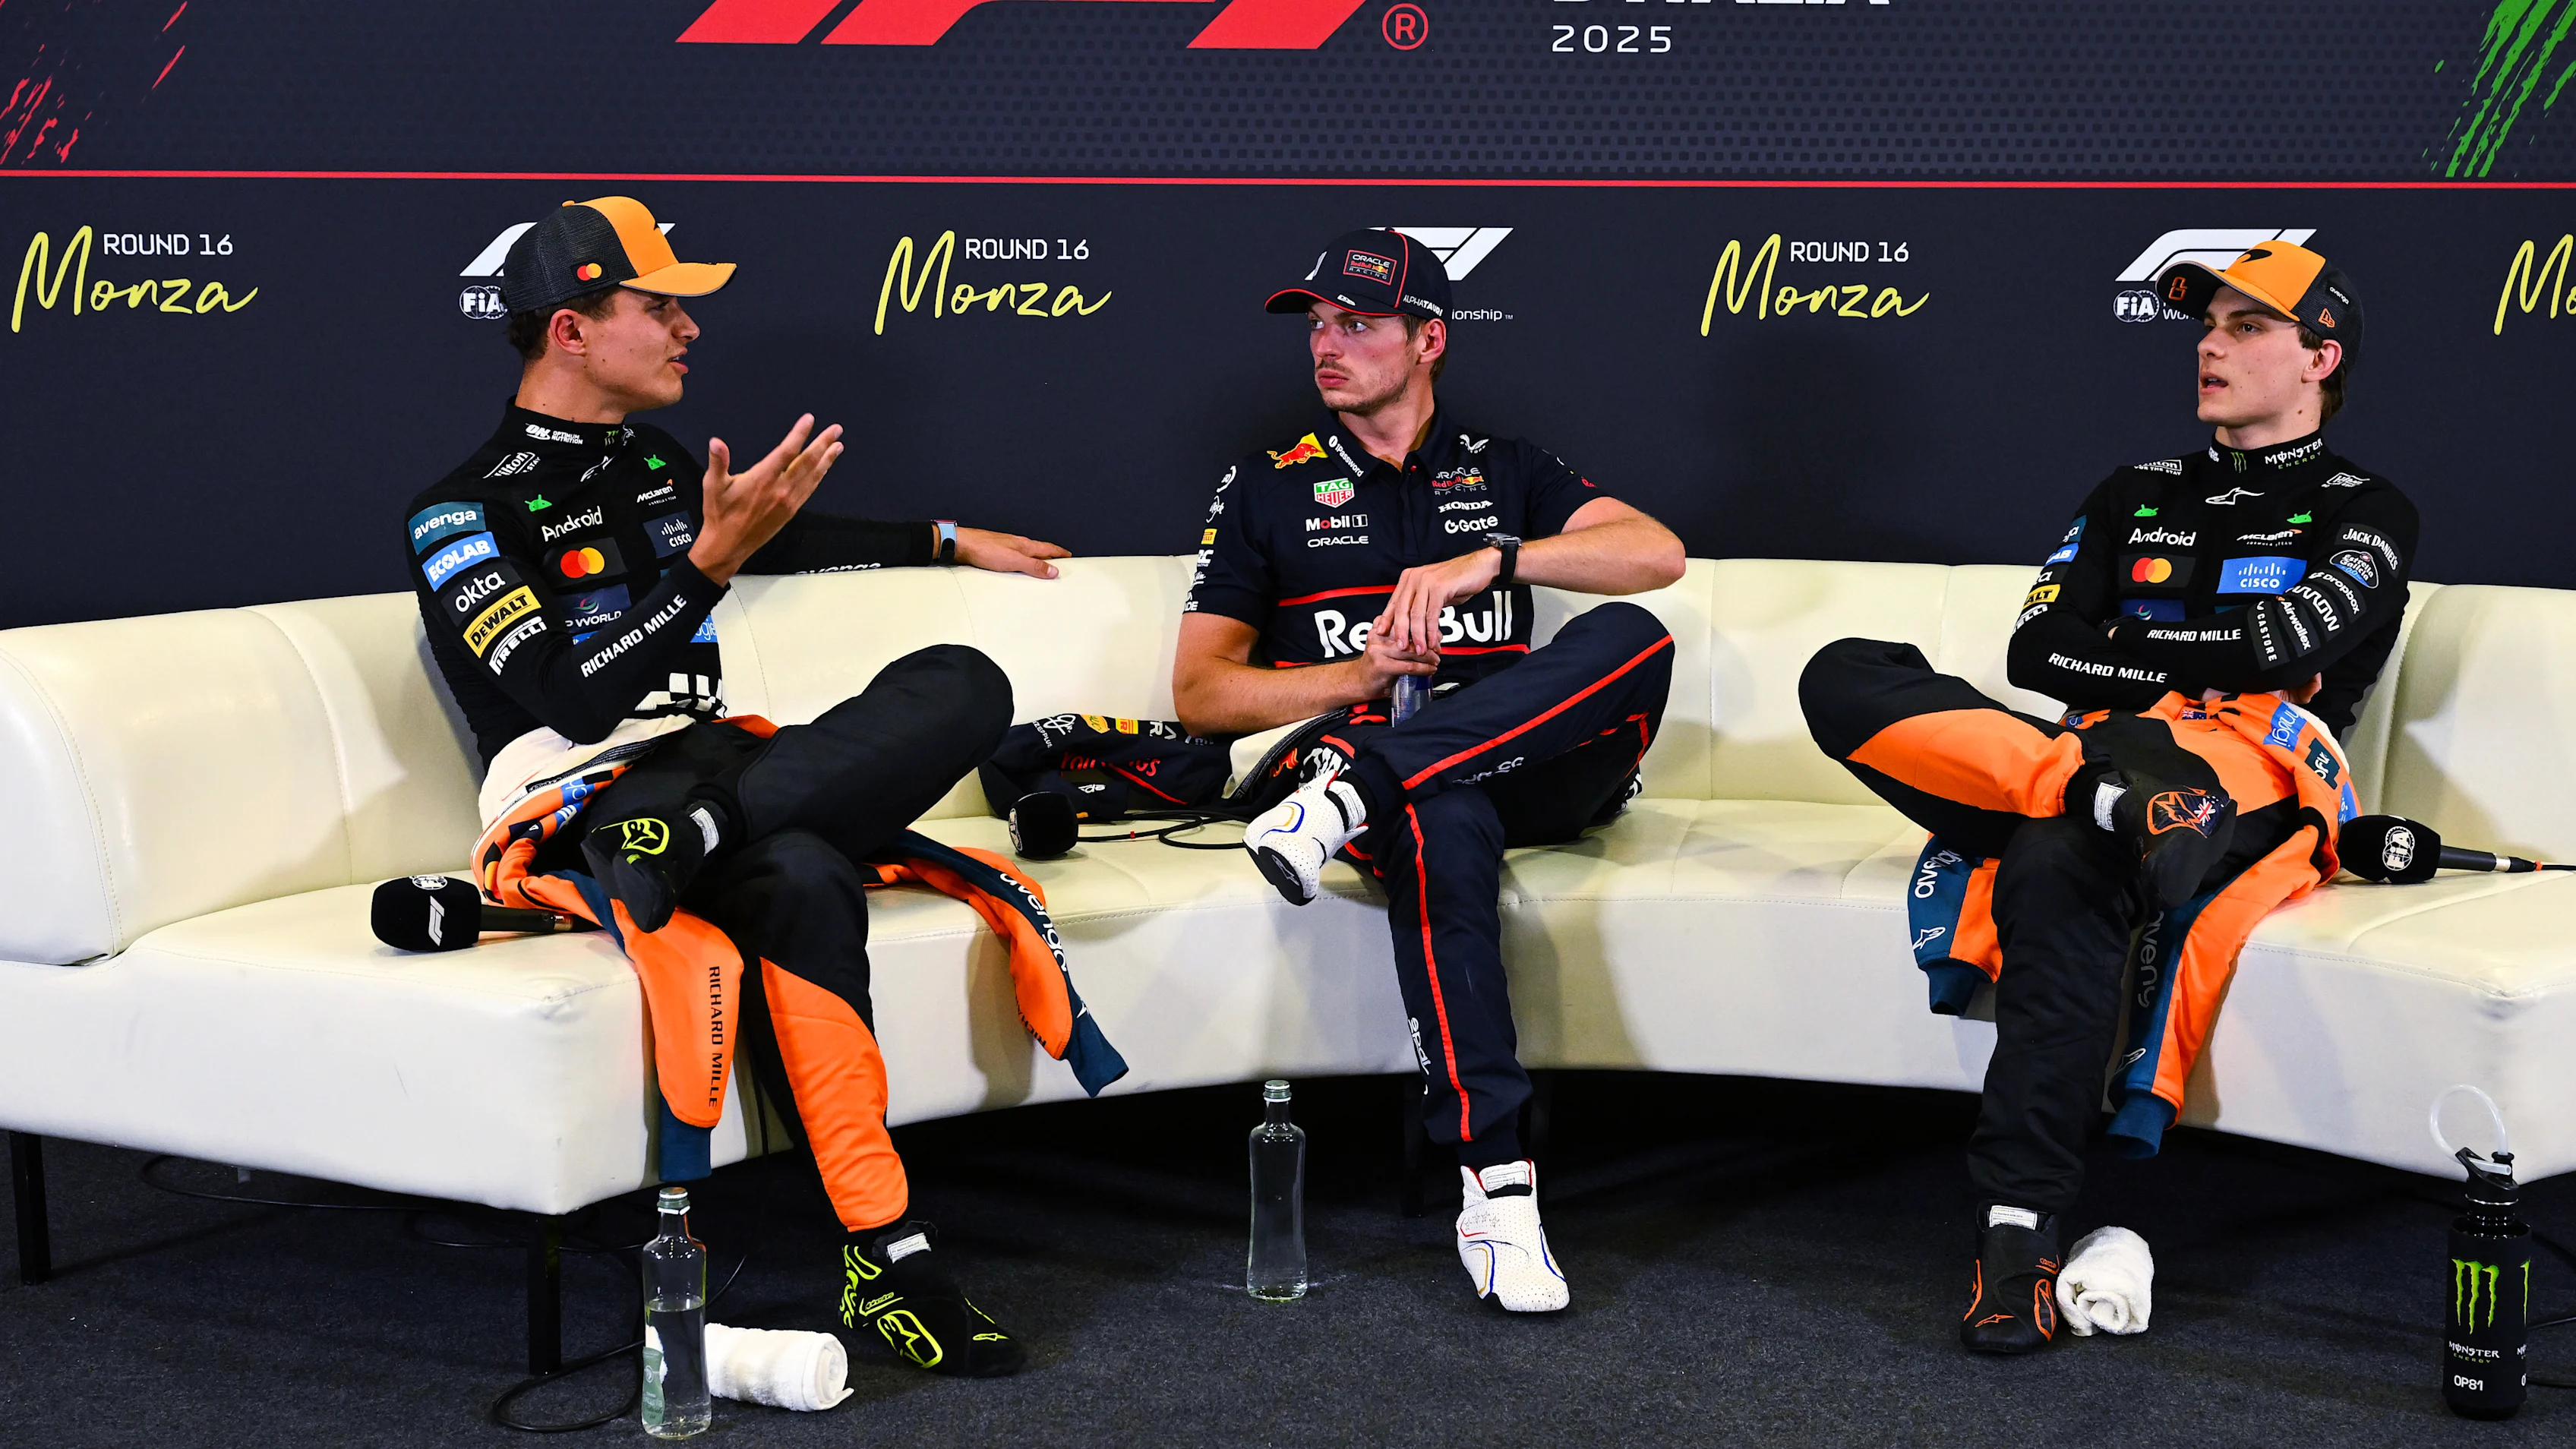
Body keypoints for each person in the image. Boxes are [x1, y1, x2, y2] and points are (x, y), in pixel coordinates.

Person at [402, 197, 1068, 1377]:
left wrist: (949, 539)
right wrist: (709, 565)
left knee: (962, 682)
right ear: (570, 329)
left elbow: (795, 541)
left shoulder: (657, 464)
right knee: (806, 866)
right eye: (657, 307)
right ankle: (893, 1252)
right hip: (575, 792)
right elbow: (573, 699)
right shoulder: (463, 511)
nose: (687, 330)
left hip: (710, 780)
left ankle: (702, 833)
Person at [1797, 241, 2415, 1353]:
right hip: (2096, 757)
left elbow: (2292, 644)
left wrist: (2139, 661)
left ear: (2320, 356)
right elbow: (2037, 650)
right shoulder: (2133, 491)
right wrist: (2175, 678)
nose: (2209, 343)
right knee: (1843, 671)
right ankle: (2099, 800)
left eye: (2244, 326)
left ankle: (2018, 1237)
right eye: (2204, 324)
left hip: (2251, 771)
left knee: (2054, 856)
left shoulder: (2367, 507)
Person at [1175, 229, 1687, 1312]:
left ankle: (1365, 786)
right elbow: (1202, 695)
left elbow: (1656, 553)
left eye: (1357, 325)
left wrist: (1492, 557)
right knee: (1438, 817)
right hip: (1380, 762)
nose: (1328, 346)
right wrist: (1358, 673)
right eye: (1318, 326)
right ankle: (1499, 1188)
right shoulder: (1268, 486)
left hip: (1517, 768)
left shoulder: (1508, 469)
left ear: (1429, 341)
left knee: (1635, 634)